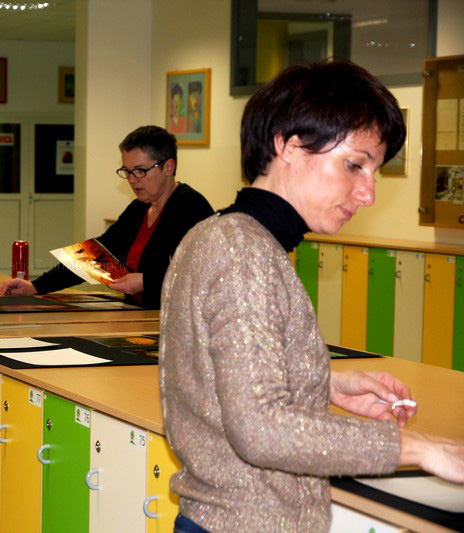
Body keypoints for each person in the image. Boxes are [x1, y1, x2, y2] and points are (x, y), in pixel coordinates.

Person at [159, 60, 464, 533]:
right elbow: (261, 429)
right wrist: (421, 448)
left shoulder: (229, 236)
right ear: (288, 144)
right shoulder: (241, 252)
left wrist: (324, 384)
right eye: (354, 165)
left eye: (375, 171)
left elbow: (225, 378)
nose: (367, 194)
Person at [0, 125, 213, 309]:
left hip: (175, 320)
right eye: (127, 171)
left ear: (168, 167)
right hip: (139, 315)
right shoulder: (139, 208)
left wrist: (146, 282)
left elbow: (203, 273)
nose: (132, 180)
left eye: (140, 170)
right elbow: (96, 255)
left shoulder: (191, 208)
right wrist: (36, 286)